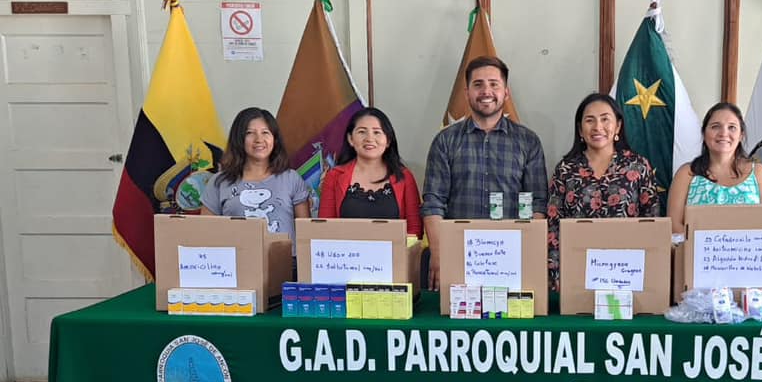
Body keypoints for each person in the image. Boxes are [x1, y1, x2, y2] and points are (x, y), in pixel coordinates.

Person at [421, 56, 548, 288]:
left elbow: (537, 204)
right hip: (458, 254)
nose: (486, 91)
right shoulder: (445, 141)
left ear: (506, 92)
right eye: (478, 84)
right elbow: (433, 203)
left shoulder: (528, 142)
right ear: (467, 93)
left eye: (494, 84)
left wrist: (530, 254)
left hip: (511, 256)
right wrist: (438, 254)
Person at [546, 93, 661, 289]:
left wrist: (650, 271)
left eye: (605, 119)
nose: (597, 127)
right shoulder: (566, 169)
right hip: (576, 268)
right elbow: (553, 224)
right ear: (580, 129)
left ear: (618, 126)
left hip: (627, 270)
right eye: (590, 120)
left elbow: (652, 221)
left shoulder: (638, 166)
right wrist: (555, 271)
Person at [201, 107, 312, 249]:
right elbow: (206, 234)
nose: (259, 139)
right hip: (237, 260)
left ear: (274, 139)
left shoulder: (291, 178)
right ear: (239, 139)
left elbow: (306, 236)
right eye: (250, 133)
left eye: (265, 132)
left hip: (286, 261)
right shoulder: (219, 182)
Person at [667, 102, 762, 233]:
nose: (724, 133)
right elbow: (673, 224)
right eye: (715, 127)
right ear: (704, 133)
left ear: (741, 135)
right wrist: (705, 243)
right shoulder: (687, 174)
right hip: (694, 247)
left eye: (732, 127)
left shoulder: (758, 173)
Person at [318, 107, 423, 237]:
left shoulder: (404, 176)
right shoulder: (334, 176)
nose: (369, 138)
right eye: (362, 132)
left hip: (395, 250)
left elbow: (414, 230)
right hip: (345, 250)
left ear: (388, 140)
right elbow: (325, 230)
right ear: (350, 139)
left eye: (377, 132)